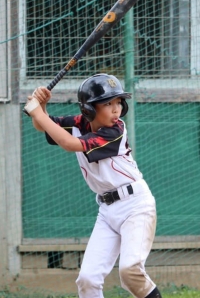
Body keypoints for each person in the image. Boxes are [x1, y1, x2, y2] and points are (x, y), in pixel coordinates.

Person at [24, 73, 162, 298]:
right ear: (88, 109)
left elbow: (68, 143)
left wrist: (37, 111)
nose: (116, 109)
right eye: (108, 103)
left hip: (136, 206)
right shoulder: (80, 122)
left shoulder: (114, 131)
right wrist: (42, 108)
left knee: (130, 272)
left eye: (118, 102)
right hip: (107, 211)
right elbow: (45, 127)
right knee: (87, 279)